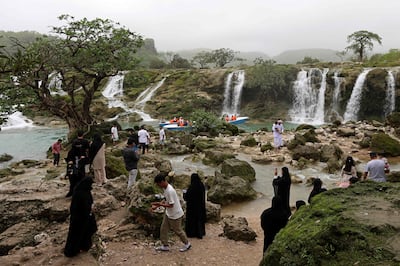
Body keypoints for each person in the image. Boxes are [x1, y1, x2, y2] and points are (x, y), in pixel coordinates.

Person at [152, 173, 191, 252]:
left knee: (178, 231)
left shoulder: (170, 190)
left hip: (175, 214)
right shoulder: (165, 188)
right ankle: (165, 245)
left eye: (158, 183)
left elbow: (171, 205)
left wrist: (160, 204)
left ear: (162, 181)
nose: (158, 185)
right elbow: (166, 199)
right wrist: (158, 205)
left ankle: (187, 243)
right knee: (164, 229)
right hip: (169, 213)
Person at [64, 176, 97, 257]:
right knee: (78, 234)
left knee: (82, 232)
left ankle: (83, 246)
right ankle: (74, 250)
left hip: (80, 217)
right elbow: (84, 206)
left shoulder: (80, 190)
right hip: (81, 218)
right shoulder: (82, 193)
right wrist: (90, 210)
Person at [183, 173, 206, 239]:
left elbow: (187, 197)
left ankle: (192, 233)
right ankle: (201, 232)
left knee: (192, 221)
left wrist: (184, 194)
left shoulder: (192, 187)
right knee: (199, 220)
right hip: (200, 206)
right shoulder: (201, 185)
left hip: (192, 208)